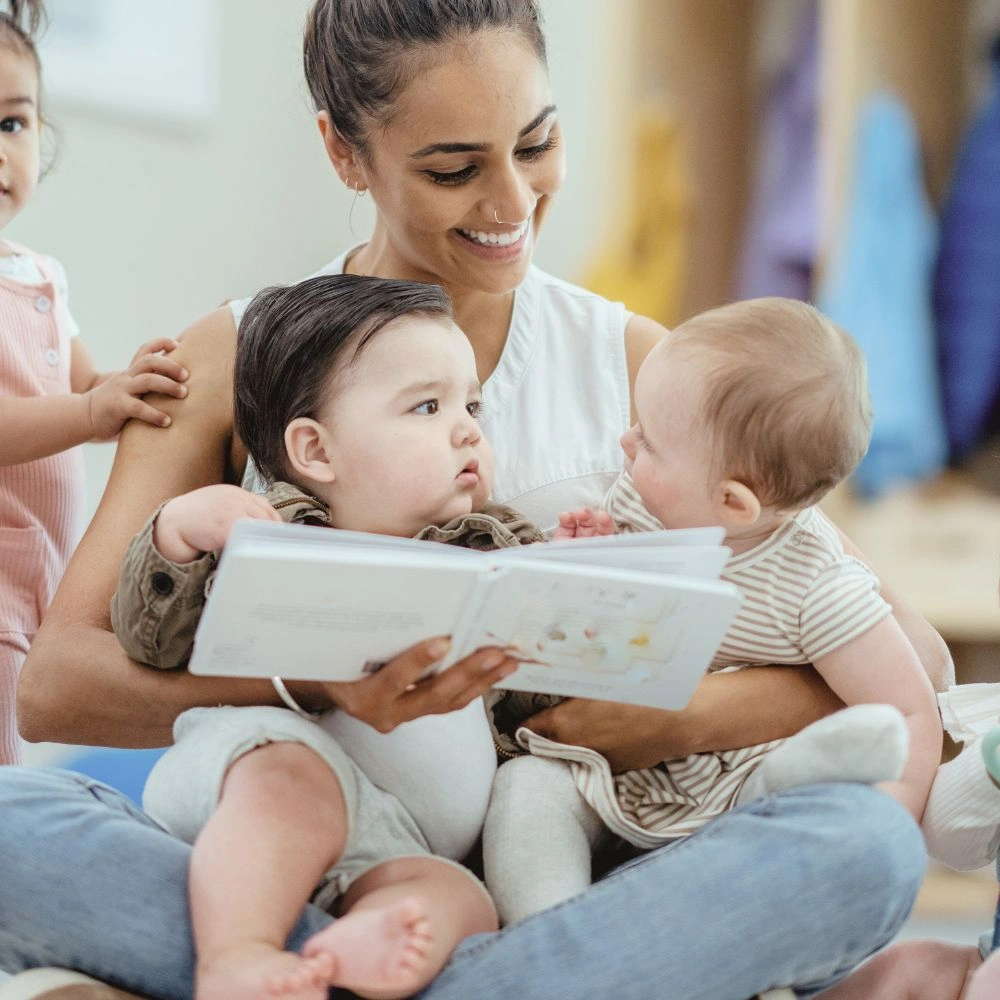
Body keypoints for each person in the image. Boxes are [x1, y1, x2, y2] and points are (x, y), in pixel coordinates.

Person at [0, 2, 947, 998]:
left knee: (864, 847)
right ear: (343, 152)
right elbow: (57, 682)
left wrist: (672, 719)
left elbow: (903, 649)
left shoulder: (648, 370)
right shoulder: (238, 351)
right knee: (14, 832)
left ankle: (373, 977)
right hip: (315, 848)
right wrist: (313, 690)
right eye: (453, 168)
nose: (511, 200)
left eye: (536, 144)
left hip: (580, 867)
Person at [109, 273, 550, 1000]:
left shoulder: (491, 554)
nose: (469, 428)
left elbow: (538, 696)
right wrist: (183, 533)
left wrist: (578, 581)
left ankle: (352, 947)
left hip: (397, 842)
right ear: (316, 452)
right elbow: (150, 636)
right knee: (293, 787)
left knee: (465, 904)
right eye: (428, 406)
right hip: (258, 780)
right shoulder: (268, 534)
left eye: (472, 405)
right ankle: (239, 956)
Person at [482, 297, 942, 925]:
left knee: (799, 786)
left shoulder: (817, 585)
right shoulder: (646, 502)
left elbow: (908, 705)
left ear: (732, 503)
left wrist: (894, 818)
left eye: (650, 442)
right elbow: (604, 631)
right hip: (616, 772)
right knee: (526, 790)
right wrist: (586, 565)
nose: (626, 442)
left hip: (741, 790)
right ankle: (549, 931)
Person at [0, 0, 187, 766]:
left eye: (11, 124)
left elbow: (85, 384)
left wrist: (136, 383)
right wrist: (88, 410)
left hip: (42, 570)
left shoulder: (41, 277)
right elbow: (65, 410)